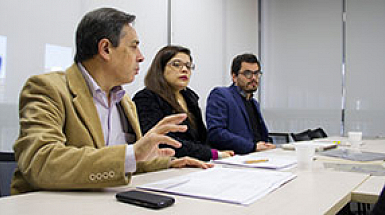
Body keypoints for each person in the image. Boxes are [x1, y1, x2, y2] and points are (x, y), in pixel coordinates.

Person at [11, 8, 212, 195]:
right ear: (105, 49)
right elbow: (41, 163)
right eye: (134, 47)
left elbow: (126, 163)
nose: (141, 58)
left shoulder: (125, 102)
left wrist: (169, 164)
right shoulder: (47, 88)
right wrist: (133, 153)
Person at [133, 45, 234, 161]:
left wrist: (216, 152)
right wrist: (211, 154)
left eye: (188, 66)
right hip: (165, 166)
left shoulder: (190, 97)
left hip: (196, 163)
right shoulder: (146, 98)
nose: (185, 70)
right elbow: (162, 142)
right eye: (176, 64)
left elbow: (202, 137)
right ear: (160, 68)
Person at [206, 53, 276, 154]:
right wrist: (252, 147)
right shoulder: (221, 95)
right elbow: (216, 134)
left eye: (256, 73)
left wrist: (267, 145)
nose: (254, 78)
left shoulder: (254, 103)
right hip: (234, 160)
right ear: (234, 76)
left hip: (259, 158)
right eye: (248, 73)